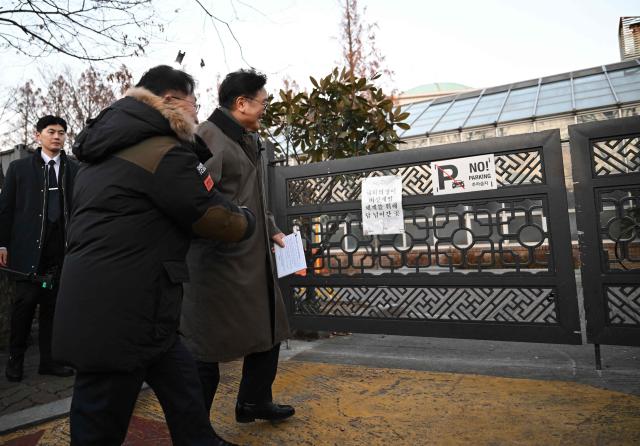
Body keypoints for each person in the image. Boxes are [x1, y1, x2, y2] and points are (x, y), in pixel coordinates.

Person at [51, 65, 254, 446]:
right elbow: (209, 215)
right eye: (194, 102)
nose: (197, 111)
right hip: (122, 310)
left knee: (183, 386)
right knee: (99, 420)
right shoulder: (162, 151)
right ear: (172, 100)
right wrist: (248, 221)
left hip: (138, 302)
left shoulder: (102, 154)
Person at [181, 69, 294, 423]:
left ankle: (253, 402)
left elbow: (250, 193)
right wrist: (237, 228)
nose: (265, 109)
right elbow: (196, 201)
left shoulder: (247, 138)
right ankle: (194, 430)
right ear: (241, 103)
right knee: (206, 352)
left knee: (270, 330)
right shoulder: (208, 138)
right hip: (220, 266)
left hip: (251, 257)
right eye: (263, 102)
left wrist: (272, 228)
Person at [0, 115, 77, 382]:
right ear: (38, 136)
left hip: (62, 251)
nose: (57, 136)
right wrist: (3, 243)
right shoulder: (19, 169)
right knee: (23, 307)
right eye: (51, 131)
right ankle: (15, 360)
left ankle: (50, 361)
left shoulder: (73, 169)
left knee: (53, 309)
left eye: (62, 132)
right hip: (28, 250)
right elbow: (6, 209)